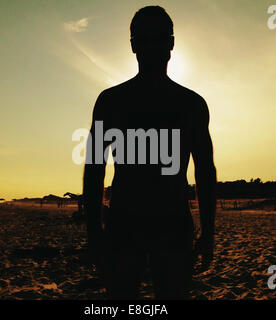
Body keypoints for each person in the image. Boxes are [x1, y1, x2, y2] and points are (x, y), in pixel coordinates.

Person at [83, 6, 216, 299]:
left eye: (158, 39)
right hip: (125, 225)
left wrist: (209, 231)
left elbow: (206, 170)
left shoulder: (191, 105)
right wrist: (94, 231)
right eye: (144, 39)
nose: (152, 47)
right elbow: (94, 166)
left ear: (171, 43)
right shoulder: (111, 102)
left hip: (170, 226)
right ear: (133, 45)